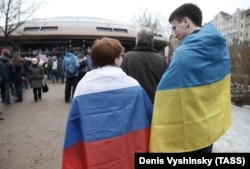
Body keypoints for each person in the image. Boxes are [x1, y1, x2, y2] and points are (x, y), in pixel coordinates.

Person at [149, 3, 231, 153]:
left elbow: (166, 96)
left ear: (186, 22)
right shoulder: (221, 48)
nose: (174, 34)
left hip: (191, 132)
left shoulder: (183, 54)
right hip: (210, 127)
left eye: (174, 27)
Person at [62, 37, 153, 169]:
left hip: (95, 153)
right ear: (116, 59)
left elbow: (75, 125)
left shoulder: (83, 87)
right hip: (126, 152)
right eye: (121, 56)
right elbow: (147, 118)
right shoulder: (133, 85)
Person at [121, 27, 167, 103]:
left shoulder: (127, 57)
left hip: (134, 103)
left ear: (137, 40)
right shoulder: (161, 60)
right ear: (152, 41)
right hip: (155, 103)